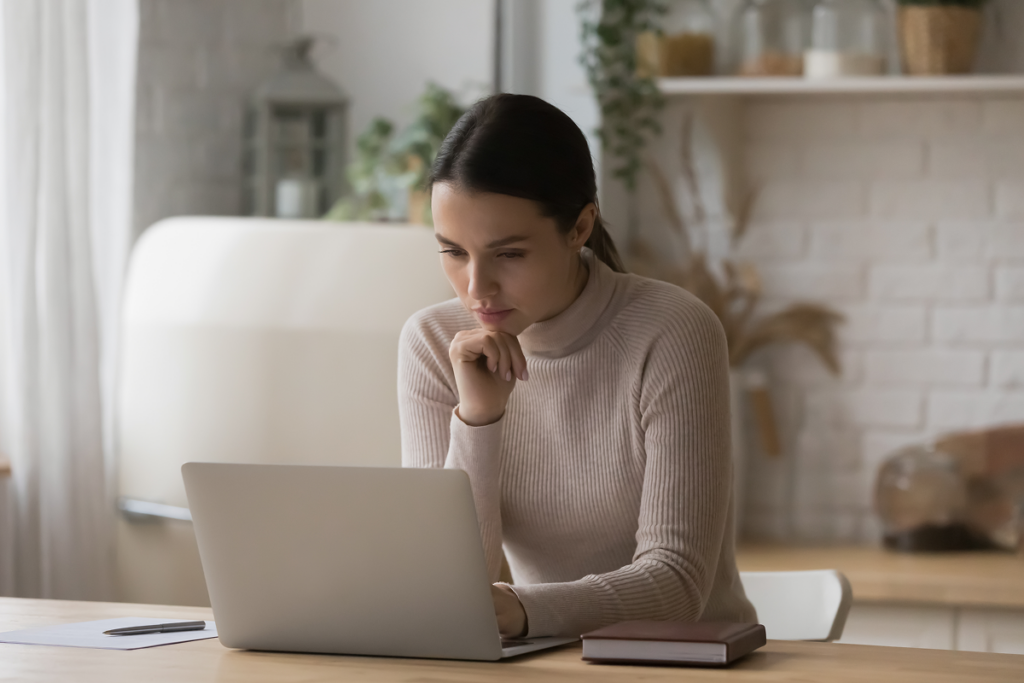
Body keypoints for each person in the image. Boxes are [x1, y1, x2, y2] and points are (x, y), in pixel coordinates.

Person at [398, 93, 756, 639]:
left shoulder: (673, 330)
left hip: (688, 665)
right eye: (453, 251)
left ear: (580, 226)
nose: (477, 287)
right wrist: (479, 419)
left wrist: (527, 611)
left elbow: (678, 584)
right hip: (541, 662)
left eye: (509, 254)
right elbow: (440, 583)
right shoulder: (433, 342)